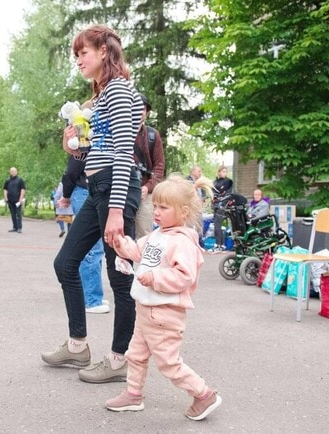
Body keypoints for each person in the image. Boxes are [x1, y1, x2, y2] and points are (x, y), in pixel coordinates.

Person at [41, 24, 143, 383]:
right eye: (76, 54)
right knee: (66, 262)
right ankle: (77, 344)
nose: (79, 60)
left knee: (120, 278)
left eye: (83, 52)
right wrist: (74, 145)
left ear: (103, 51)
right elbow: (97, 153)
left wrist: (115, 211)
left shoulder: (117, 90)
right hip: (98, 187)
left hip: (115, 190)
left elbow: (122, 154)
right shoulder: (99, 98)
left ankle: (119, 361)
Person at [105, 174, 221, 421]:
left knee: (168, 363)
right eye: (155, 206)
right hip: (146, 309)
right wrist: (120, 243)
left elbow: (184, 276)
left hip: (165, 314)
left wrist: (156, 278)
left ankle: (203, 394)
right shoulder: (157, 235)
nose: (156, 212)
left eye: (163, 207)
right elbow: (137, 252)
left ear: (183, 211)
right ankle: (133, 394)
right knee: (135, 355)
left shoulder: (182, 242)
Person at [60, 155, 109, 314]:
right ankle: (91, 299)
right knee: (92, 249)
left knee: (97, 246)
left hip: (92, 190)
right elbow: (72, 171)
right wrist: (66, 195)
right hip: (84, 191)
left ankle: (93, 293)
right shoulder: (84, 140)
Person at [133, 94, 165, 238]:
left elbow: (159, 166)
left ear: (146, 112)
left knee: (144, 237)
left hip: (144, 194)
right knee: (120, 238)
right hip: (121, 193)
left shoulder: (152, 135)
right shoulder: (117, 132)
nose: (139, 111)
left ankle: (144, 261)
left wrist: (147, 187)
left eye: (143, 108)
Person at [211, 166, 233, 252]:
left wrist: (219, 196)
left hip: (223, 205)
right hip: (216, 205)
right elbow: (213, 192)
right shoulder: (215, 182)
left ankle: (219, 245)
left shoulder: (228, 181)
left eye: (225, 172)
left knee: (218, 225)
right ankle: (220, 244)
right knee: (218, 226)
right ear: (219, 172)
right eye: (223, 171)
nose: (225, 173)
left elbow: (227, 194)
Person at [3, 167, 26, 233]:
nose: (13, 172)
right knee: (13, 214)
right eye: (12, 171)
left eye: (14, 171)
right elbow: (5, 189)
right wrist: (6, 198)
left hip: (17, 200)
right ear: (10, 172)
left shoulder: (20, 180)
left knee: (18, 214)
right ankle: (14, 227)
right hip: (10, 200)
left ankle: (19, 228)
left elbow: (23, 189)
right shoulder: (7, 180)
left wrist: (20, 199)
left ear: (16, 172)